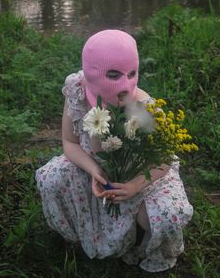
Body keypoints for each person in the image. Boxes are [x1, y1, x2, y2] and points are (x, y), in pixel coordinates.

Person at [36, 29, 193, 273]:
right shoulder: (77, 91)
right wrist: (94, 171)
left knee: (162, 214)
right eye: (113, 74)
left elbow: (163, 158)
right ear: (90, 74)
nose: (125, 85)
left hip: (139, 176)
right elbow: (70, 143)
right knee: (50, 178)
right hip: (97, 172)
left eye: (132, 74)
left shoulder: (141, 108)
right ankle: (78, 235)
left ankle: (141, 242)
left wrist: (133, 187)